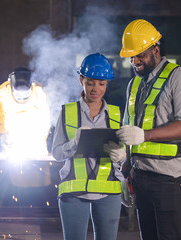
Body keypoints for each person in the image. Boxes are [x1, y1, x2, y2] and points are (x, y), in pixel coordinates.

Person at [117, 19, 181, 240]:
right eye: (131, 57)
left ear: (156, 50)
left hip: (170, 179)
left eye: (140, 55)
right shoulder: (134, 84)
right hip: (141, 174)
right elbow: (129, 127)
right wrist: (125, 169)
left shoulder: (179, 78)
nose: (135, 61)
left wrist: (145, 135)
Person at [52, 53, 126, 240]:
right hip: (73, 190)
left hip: (108, 189)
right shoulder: (67, 112)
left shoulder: (116, 114)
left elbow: (124, 157)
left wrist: (122, 156)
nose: (96, 89)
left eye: (101, 84)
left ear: (107, 84)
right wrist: (74, 144)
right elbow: (56, 153)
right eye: (91, 83)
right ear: (81, 80)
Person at [0, 66, 51, 187]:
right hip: (12, 144)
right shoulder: (2, 92)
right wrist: (3, 135)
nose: (22, 99)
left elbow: (46, 120)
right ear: (11, 86)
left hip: (36, 145)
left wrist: (38, 142)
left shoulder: (40, 92)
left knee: (40, 183)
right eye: (18, 96)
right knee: (13, 182)